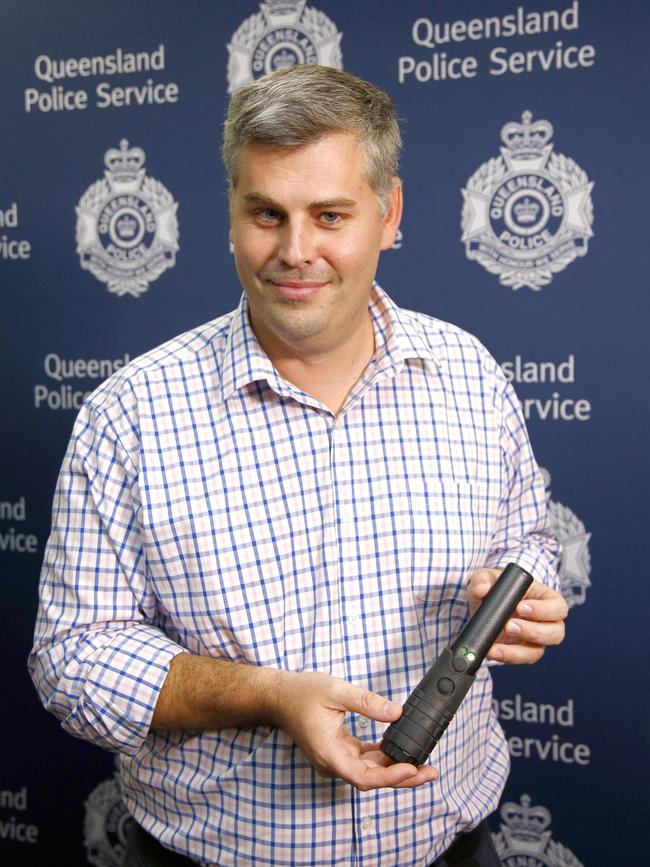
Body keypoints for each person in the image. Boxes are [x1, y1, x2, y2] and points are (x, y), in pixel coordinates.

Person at [29, 65, 567, 867]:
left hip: (449, 844)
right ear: (232, 215)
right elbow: (71, 659)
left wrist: (524, 593)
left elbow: (530, 537)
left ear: (390, 215)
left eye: (330, 215)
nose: (295, 251)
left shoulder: (472, 374)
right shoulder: (129, 415)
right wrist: (270, 696)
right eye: (266, 214)